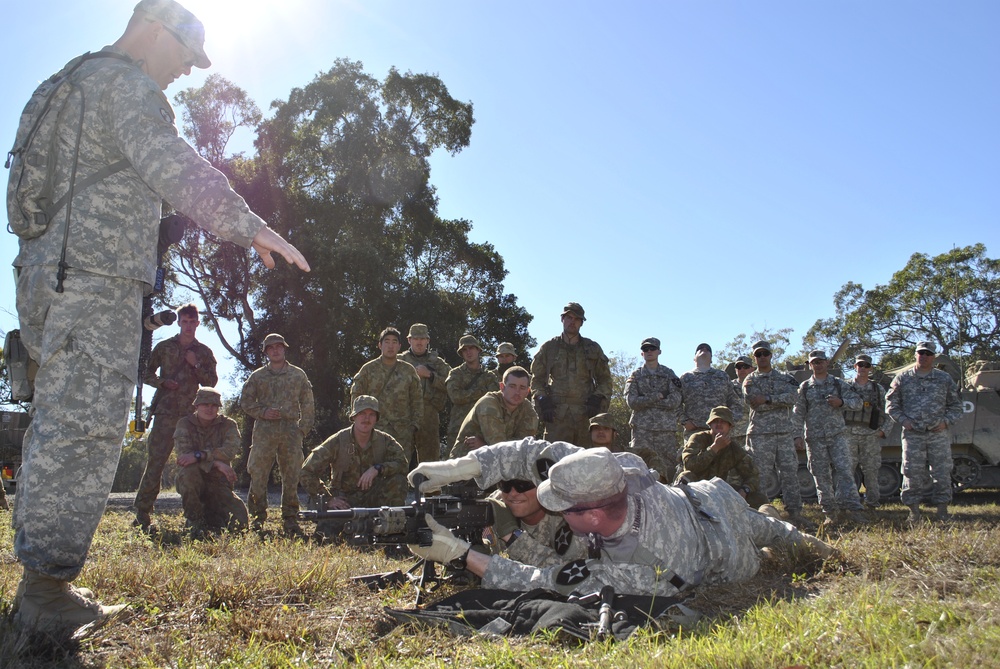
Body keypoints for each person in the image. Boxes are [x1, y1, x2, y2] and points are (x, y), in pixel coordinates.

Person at [8, 0, 310, 633]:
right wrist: (247, 224)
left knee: (56, 423)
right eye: (184, 56)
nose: (185, 73)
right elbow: (175, 166)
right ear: (155, 31)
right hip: (95, 283)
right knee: (84, 429)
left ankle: (42, 581)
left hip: (45, 277)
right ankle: (44, 596)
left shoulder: (59, 85)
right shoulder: (126, 86)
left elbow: (23, 197)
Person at [406, 440, 835, 597]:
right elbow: (529, 452)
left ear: (591, 515)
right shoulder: (613, 469)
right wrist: (456, 468)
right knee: (768, 524)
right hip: (708, 492)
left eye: (560, 507)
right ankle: (767, 514)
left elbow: (543, 582)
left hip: (724, 548)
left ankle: (810, 540)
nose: (545, 505)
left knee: (770, 534)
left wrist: (460, 555)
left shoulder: (648, 567)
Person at [133, 303, 218, 531]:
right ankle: (142, 514)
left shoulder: (204, 352)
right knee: (155, 463)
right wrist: (162, 382)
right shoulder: (164, 347)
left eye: (193, 322)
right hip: (165, 413)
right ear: (179, 322)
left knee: (193, 466)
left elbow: (211, 383)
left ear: (197, 324)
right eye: (185, 321)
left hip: (191, 418)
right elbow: (144, 373)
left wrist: (196, 364)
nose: (189, 326)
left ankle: (195, 515)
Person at [299, 396, 407, 539]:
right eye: (362, 414)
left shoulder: (385, 441)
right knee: (326, 537)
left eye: (371, 414)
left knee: (398, 480)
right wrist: (329, 499)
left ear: (376, 418)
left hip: (373, 500)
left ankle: (390, 531)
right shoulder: (338, 440)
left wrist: (378, 468)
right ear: (353, 417)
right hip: (343, 501)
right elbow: (306, 472)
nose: (366, 419)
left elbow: (402, 464)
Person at [241, 333, 315, 536]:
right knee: (258, 474)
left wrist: (303, 428)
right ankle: (256, 519)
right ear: (265, 352)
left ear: (284, 348)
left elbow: (308, 403)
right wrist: (262, 412)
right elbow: (245, 401)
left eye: (279, 346)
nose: (275, 350)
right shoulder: (257, 376)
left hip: (291, 430)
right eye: (270, 347)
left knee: (292, 475)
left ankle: (290, 519)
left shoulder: (298, 374)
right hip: (264, 430)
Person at [886, 341, 963, 523]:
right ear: (915, 355)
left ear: (934, 357)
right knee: (912, 472)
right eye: (921, 352)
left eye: (928, 353)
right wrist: (904, 421)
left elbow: (956, 406)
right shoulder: (902, 378)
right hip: (913, 435)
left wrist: (946, 422)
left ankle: (942, 511)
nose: (924, 356)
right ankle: (913, 512)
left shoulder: (944, 379)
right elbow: (891, 405)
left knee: (942, 472)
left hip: (938, 434)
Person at [742, 341, 813, 530]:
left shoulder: (785, 377)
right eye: (758, 354)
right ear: (754, 358)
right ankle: (760, 513)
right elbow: (752, 401)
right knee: (761, 475)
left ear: (771, 355)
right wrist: (778, 400)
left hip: (783, 433)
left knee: (789, 473)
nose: (762, 357)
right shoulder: (750, 380)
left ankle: (795, 513)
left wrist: (768, 398)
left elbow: (793, 397)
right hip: (760, 434)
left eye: (765, 353)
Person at [793, 350, 867, 527]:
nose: (817, 365)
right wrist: (797, 435)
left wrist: (841, 402)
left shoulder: (838, 384)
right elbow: (798, 413)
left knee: (846, 473)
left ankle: (854, 510)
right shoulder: (804, 387)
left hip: (837, 436)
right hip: (815, 438)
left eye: (820, 361)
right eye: (814, 362)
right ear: (810, 365)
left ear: (827, 363)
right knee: (821, 476)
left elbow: (857, 402)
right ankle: (830, 513)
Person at [530, 302, 613, 448]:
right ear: (562, 319)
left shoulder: (592, 348)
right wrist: (543, 400)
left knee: (586, 461)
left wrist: (597, 398)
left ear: (581, 323)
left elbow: (605, 380)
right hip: (556, 416)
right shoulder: (549, 348)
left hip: (586, 415)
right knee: (553, 460)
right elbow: (536, 380)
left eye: (576, 319)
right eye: (569, 317)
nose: (572, 322)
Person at [173, 387, 248, 538]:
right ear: (197, 405)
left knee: (241, 523)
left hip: (218, 481)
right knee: (189, 473)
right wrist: (217, 463)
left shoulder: (228, 425)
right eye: (205, 404)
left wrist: (200, 455)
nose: (210, 409)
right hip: (193, 478)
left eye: (214, 405)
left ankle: (211, 516)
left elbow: (230, 451)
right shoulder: (184, 424)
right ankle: (194, 522)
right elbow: (184, 458)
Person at [351, 327, 423, 466]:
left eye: (394, 342)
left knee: (400, 471)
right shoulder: (368, 369)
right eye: (387, 342)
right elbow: (356, 397)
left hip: (402, 432)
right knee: (371, 470)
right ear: (380, 345)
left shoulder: (408, 370)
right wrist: (360, 423)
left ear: (400, 346)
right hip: (374, 429)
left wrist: (414, 425)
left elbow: (417, 400)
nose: (391, 346)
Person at [677, 406, 768, 509]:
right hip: (695, 488)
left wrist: (744, 490)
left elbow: (753, 474)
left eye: (723, 422)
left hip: (717, 490)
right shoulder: (698, 438)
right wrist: (714, 448)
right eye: (715, 421)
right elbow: (690, 465)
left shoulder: (733, 448)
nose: (719, 424)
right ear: (710, 424)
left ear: (730, 427)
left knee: (759, 498)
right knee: (685, 476)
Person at [485, 477, 588, 567]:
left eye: (523, 485)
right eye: (505, 485)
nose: (513, 493)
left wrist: (512, 537)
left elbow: (568, 577)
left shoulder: (570, 516)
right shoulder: (494, 506)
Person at [624, 337, 683, 479]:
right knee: (639, 466)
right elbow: (631, 401)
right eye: (645, 349)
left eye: (652, 349)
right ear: (642, 353)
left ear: (659, 351)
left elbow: (675, 400)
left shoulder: (669, 374)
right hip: (642, 430)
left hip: (665, 430)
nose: (649, 351)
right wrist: (658, 396)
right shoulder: (636, 376)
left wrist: (645, 400)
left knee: (667, 468)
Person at [451, 366, 538, 458]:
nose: (517, 392)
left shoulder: (528, 409)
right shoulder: (488, 404)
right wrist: (492, 447)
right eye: (512, 386)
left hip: (501, 461)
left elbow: (525, 445)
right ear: (502, 387)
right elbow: (499, 446)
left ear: (527, 391)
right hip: (466, 461)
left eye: (522, 387)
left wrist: (484, 446)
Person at [399, 324, 451, 464]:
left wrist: (430, 375)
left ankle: (429, 486)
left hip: (429, 414)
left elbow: (451, 384)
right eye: (416, 338)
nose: (419, 342)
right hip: (403, 413)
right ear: (409, 340)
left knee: (430, 461)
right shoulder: (399, 361)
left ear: (428, 340)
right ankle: (399, 486)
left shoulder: (438, 363)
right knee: (399, 456)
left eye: (422, 338)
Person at [844, 354, 891, 508]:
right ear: (855, 367)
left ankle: (872, 502)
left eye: (866, 365)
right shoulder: (845, 387)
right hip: (848, 434)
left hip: (870, 434)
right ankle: (849, 502)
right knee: (847, 471)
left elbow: (888, 412)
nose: (863, 368)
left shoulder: (877, 389)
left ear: (870, 368)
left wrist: (883, 431)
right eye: (860, 365)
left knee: (871, 470)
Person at [445, 335, 499, 449]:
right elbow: (456, 397)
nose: (468, 352)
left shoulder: (490, 376)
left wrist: (469, 394)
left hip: (483, 430)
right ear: (461, 353)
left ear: (478, 350)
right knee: (455, 465)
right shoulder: (455, 374)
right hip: (459, 429)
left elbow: (494, 400)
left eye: (471, 348)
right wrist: (483, 392)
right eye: (464, 349)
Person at [680, 343, 743, 439]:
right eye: (700, 349)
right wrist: (684, 421)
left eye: (708, 349)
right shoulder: (685, 378)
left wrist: (729, 423)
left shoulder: (722, 376)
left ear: (712, 359)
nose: (704, 349)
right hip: (694, 433)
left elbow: (735, 403)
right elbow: (676, 404)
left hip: (720, 432)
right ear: (694, 358)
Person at [730, 355, 756, 450]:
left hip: (755, 433)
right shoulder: (729, 387)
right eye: (739, 367)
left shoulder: (758, 385)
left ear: (752, 369)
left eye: (745, 367)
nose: (742, 369)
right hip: (734, 434)